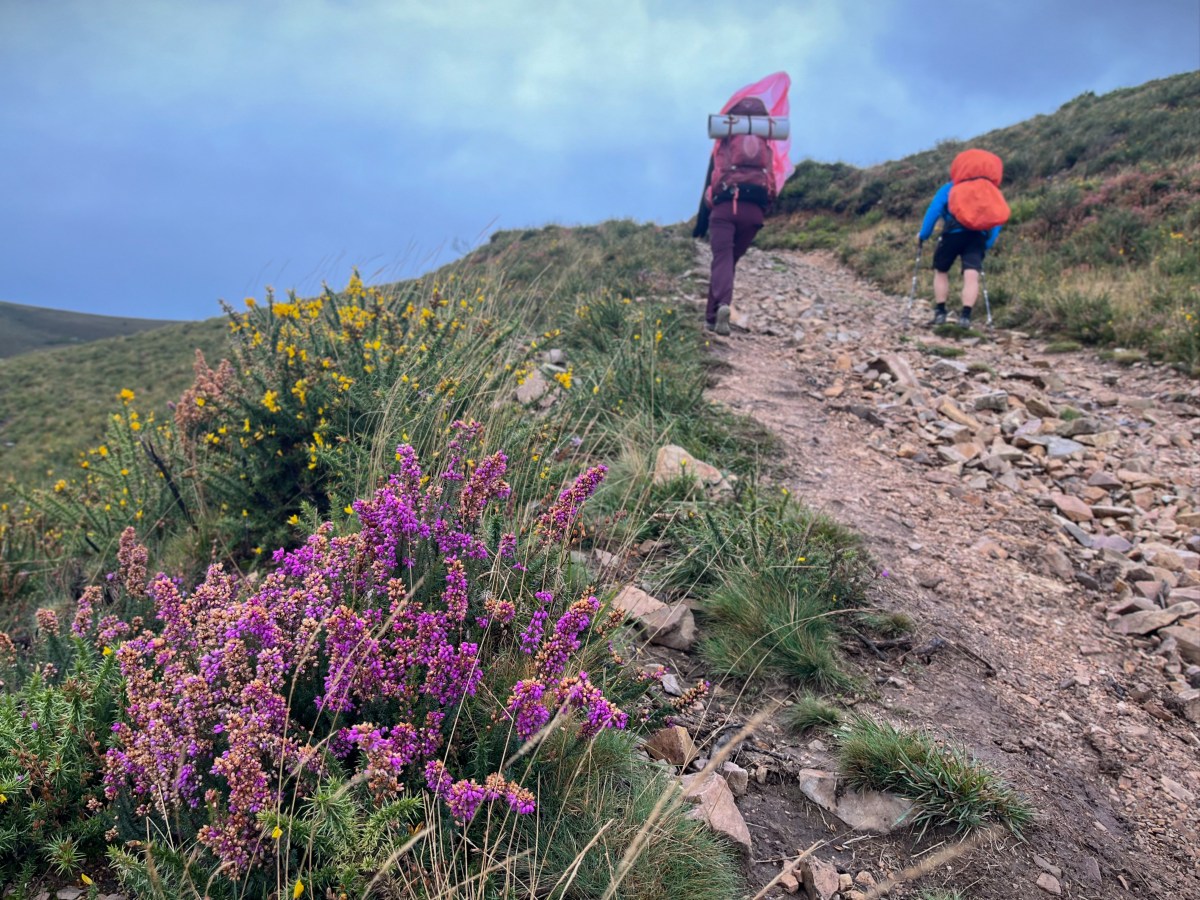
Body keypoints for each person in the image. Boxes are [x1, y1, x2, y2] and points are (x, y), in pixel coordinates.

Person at [693, 72, 794, 336]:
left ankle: (720, 308)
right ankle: (713, 315)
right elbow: (773, 179)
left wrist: (702, 221)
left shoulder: (725, 141)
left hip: (726, 208)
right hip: (754, 211)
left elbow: (711, 182)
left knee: (721, 260)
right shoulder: (766, 143)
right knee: (728, 262)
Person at [917, 183, 1002, 328]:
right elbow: (997, 216)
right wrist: (988, 243)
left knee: (941, 271)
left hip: (952, 234)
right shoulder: (989, 188)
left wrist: (924, 234)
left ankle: (940, 312)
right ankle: (965, 316)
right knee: (971, 275)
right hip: (977, 236)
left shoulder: (950, 187)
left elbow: (934, 209)